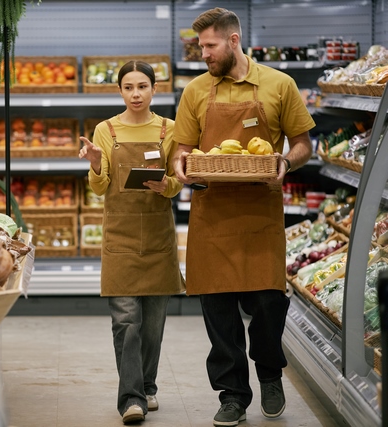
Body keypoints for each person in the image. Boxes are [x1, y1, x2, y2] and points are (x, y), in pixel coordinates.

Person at [172, 8, 315, 427]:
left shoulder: (278, 84)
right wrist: (182, 166)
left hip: (261, 212)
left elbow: (304, 143)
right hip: (212, 213)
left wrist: (286, 163)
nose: (204, 54)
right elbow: (182, 148)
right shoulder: (196, 91)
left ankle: (270, 373)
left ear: (234, 41)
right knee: (218, 312)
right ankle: (232, 395)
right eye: (201, 47)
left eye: (210, 46)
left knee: (269, 302)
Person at [79, 60, 185, 425]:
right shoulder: (105, 130)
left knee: (153, 324)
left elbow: (176, 183)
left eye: (142, 86)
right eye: (128, 87)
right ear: (120, 91)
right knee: (126, 321)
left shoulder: (170, 130)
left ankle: (148, 386)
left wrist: (165, 185)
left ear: (154, 89)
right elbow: (101, 187)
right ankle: (131, 399)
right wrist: (95, 163)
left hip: (158, 236)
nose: (136, 93)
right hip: (120, 237)